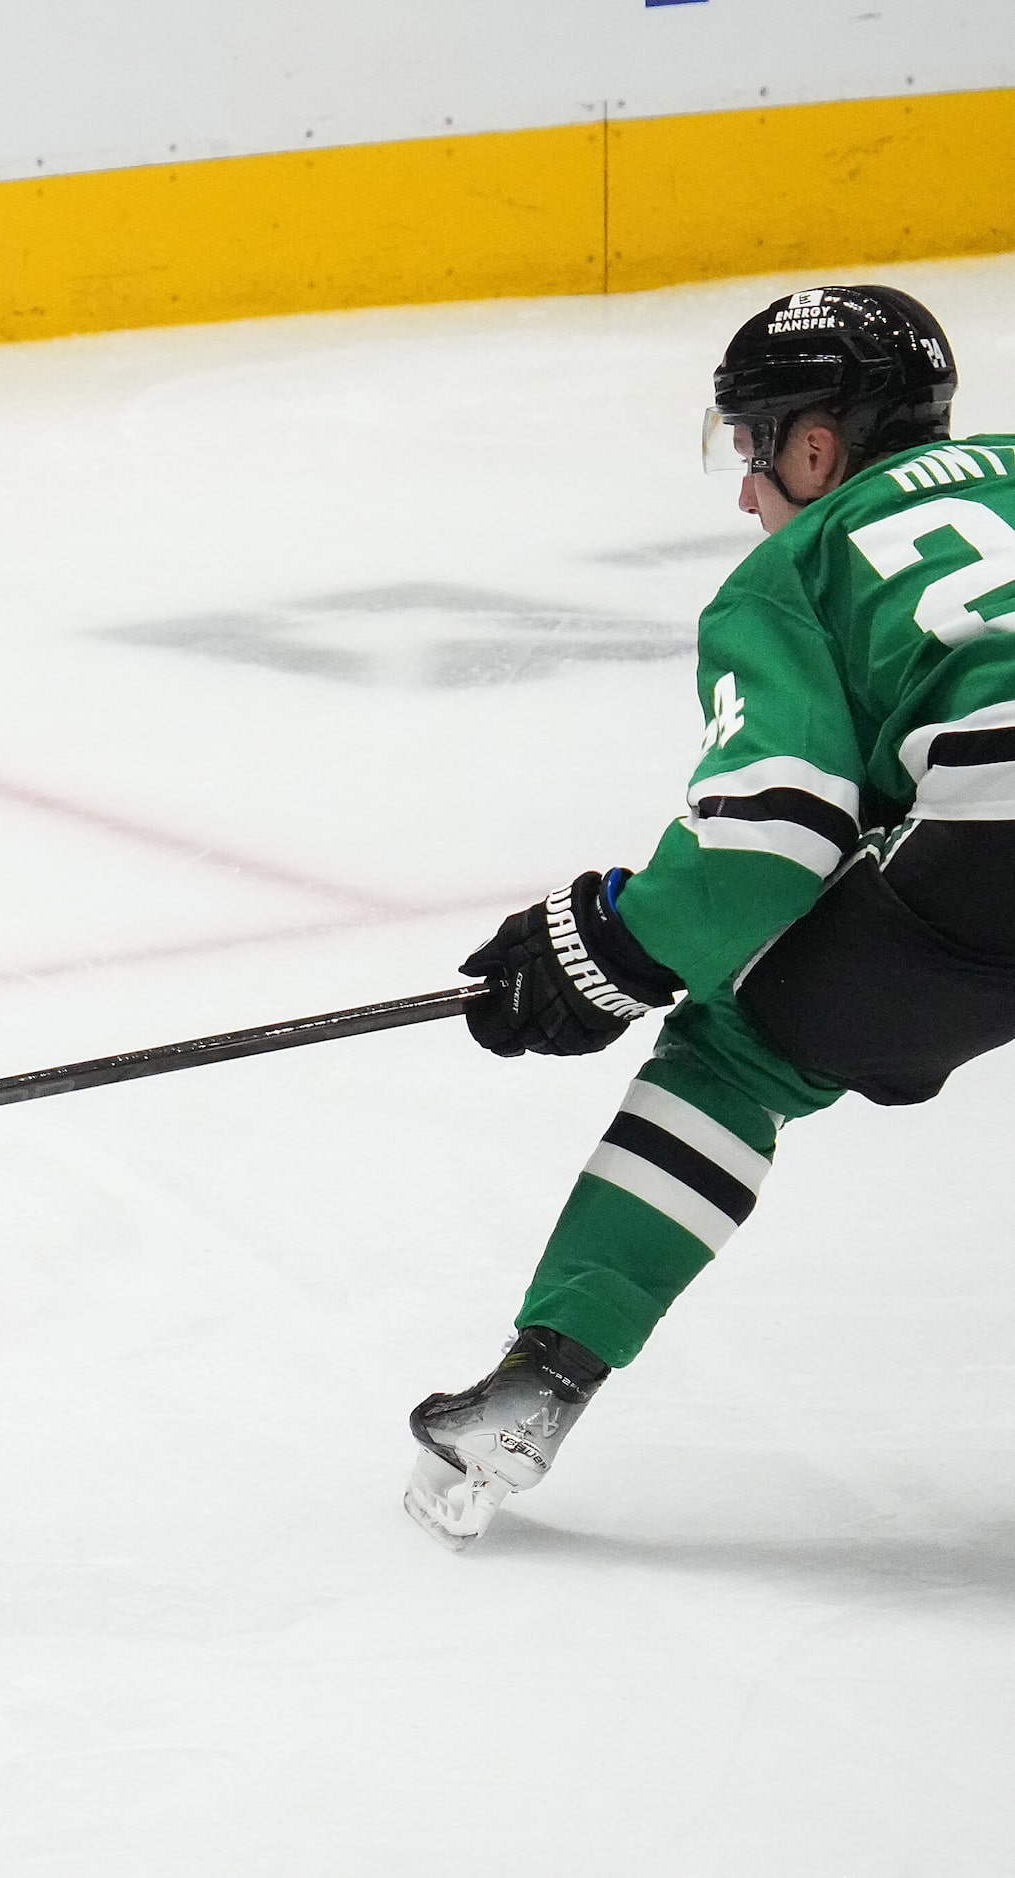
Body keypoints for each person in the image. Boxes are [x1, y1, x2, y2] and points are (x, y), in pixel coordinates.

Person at [407, 284, 1015, 1547]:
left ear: (815, 445)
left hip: (992, 853)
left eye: (753, 448)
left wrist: (615, 948)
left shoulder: (795, 565)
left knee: (739, 1053)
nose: (747, 491)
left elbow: (768, 838)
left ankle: (538, 1390)